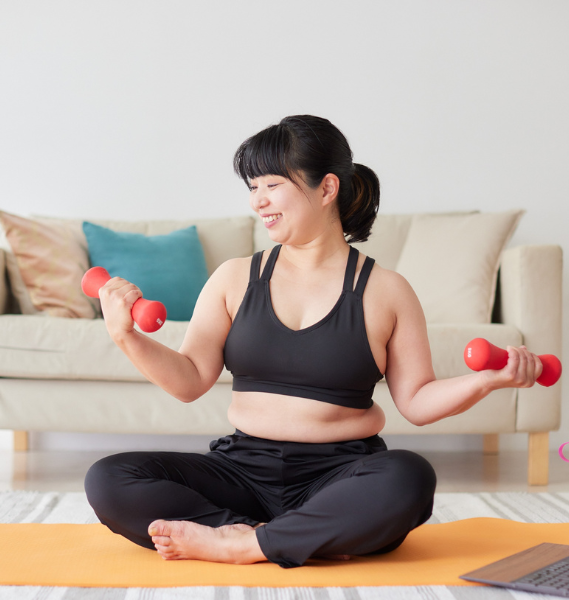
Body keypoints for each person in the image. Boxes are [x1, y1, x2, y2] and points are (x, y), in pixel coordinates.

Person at [84, 115, 542, 569]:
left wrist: (488, 380)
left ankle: (244, 544)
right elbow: (189, 381)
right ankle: (283, 536)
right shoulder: (233, 278)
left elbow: (418, 402)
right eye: (253, 187)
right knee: (109, 478)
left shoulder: (386, 291)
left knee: (409, 477)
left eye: (272, 185)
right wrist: (124, 334)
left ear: (326, 189)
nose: (258, 201)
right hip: (242, 470)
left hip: (340, 474)